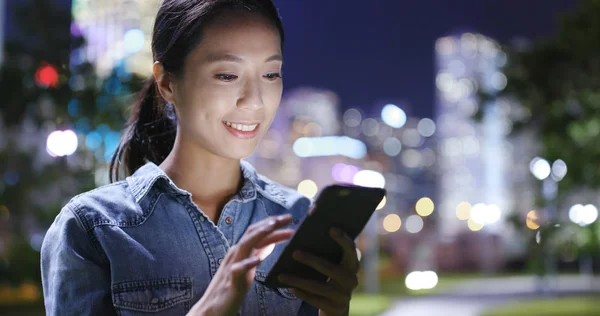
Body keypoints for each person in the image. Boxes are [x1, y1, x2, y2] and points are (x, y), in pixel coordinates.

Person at [40, 0, 361, 315]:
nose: (254, 101)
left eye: (270, 74)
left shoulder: (296, 219)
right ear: (166, 82)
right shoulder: (94, 227)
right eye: (227, 75)